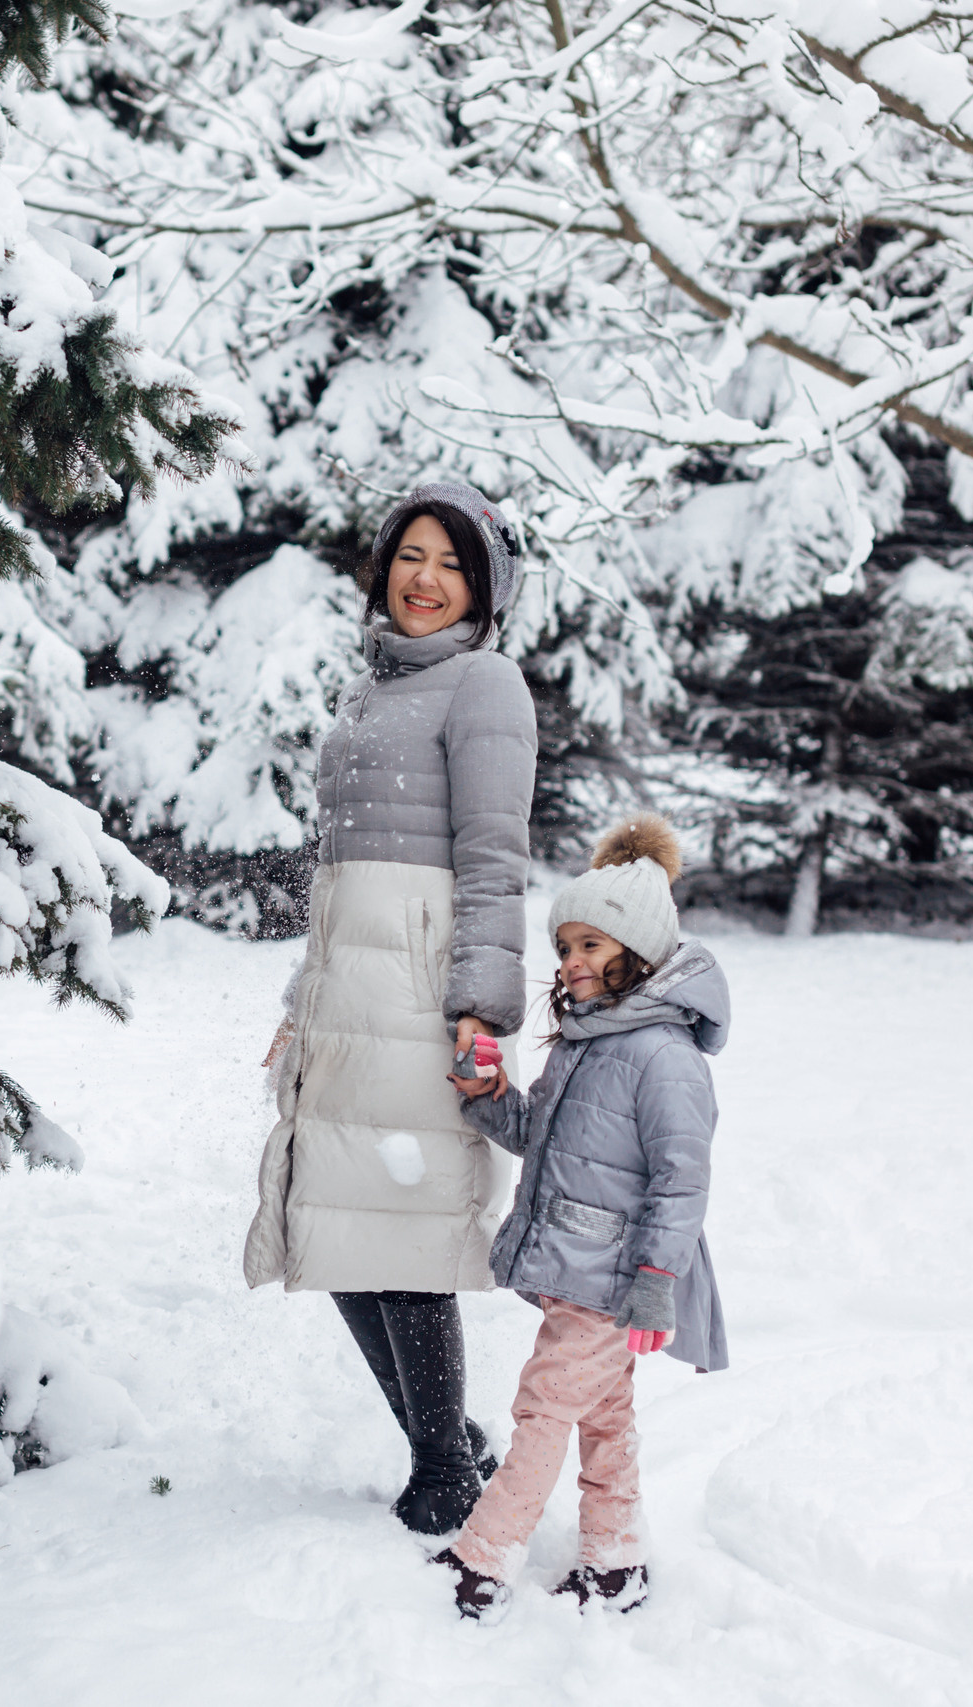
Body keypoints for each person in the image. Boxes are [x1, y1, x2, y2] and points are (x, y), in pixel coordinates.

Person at [244, 481, 538, 1535]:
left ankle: (444, 1469)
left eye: (452, 564)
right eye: (411, 555)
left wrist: (480, 1009)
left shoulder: (485, 683)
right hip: (349, 994)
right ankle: (448, 1441)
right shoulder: (372, 689)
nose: (425, 579)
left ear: (485, 588)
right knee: (337, 1224)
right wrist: (304, 996)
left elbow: (494, 858)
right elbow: (340, 870)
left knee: (404, 1235)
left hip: (422, 1001)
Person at [430, 814, 731, 1619]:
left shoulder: (664, 1057)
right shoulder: (586, 1039)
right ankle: (616, 1562)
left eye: (591, 945)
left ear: (639, 950)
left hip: (614, 1279)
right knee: (603, 1417)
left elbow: (682, 1180)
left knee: (541, 1410)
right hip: (576, 1268)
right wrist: (489, 1096)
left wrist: (657, 1278)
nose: (571, 962)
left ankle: (483, 1558)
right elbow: (543, 1135)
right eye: (564, 946)